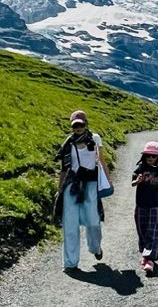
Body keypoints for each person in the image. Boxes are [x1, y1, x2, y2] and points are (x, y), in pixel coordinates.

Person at [54, 110, 110, 272]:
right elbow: (64, 168)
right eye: (75, 125)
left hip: (91, 184)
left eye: (81, 124)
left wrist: (108, 181)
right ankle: (70, 263)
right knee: (70, 224)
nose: (78, 127)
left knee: (93, 222)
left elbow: (101, 160)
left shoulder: (95, 138)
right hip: (72, 185)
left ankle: (95, 248)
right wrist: (60, 190)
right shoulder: (68, 142)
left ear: (86, 123)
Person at [132, 141, 158, 276]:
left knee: (152, 232)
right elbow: (132, 183)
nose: (150, 159)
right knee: (142, 231)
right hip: (141, 204)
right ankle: (145, 254)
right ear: (144, 157)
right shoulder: (140, 169)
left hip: (155, 205)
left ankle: (149, 260)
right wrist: (137, 181)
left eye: (153, 157)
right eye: (148, 156)